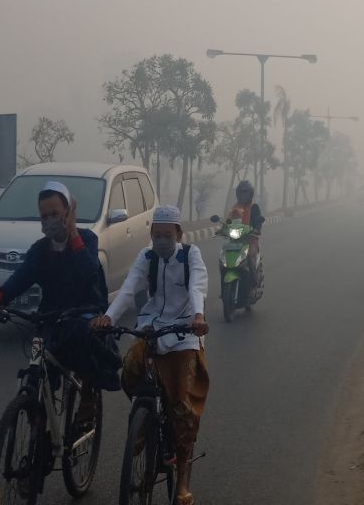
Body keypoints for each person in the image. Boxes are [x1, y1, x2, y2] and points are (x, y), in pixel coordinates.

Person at [0, 181, 122, 427]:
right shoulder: (40, 249)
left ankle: (88, 395)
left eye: (55, 214)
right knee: (35, 371)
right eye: (44, 216)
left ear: (68, 213)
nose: (49, 220)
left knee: (88, 336)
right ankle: (38, 426)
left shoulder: (87, 238)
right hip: (51, 315)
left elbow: (88, 272)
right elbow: (21, 277)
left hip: (84, 312)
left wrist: (74, 231)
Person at [93, 205, 208, 505]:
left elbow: (197, 285)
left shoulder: (190, 256)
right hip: (152, 328)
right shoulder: (147, 258)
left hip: (185, 334)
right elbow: (129, 289)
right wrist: (109, 317)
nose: (161, 241)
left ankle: (182, 482)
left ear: (178, 235)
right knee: (130, 370)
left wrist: (197, 315)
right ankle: (144, 421)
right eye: (156, 235)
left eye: (167, 236)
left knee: (183, 409)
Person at [228, 179, 265, 286]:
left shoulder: (254, 207)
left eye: (246, 192)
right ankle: (224, 285)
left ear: (251, 194)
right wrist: (223, 228)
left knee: (248, 256)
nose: (243, 195)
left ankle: (254, 282)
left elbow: (258, 220)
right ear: (237, 193)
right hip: (235, 242)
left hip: (251, 241)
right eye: (241, 192)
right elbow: (228, 221)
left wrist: (257, 229)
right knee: (223, 258)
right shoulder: (235, 208)